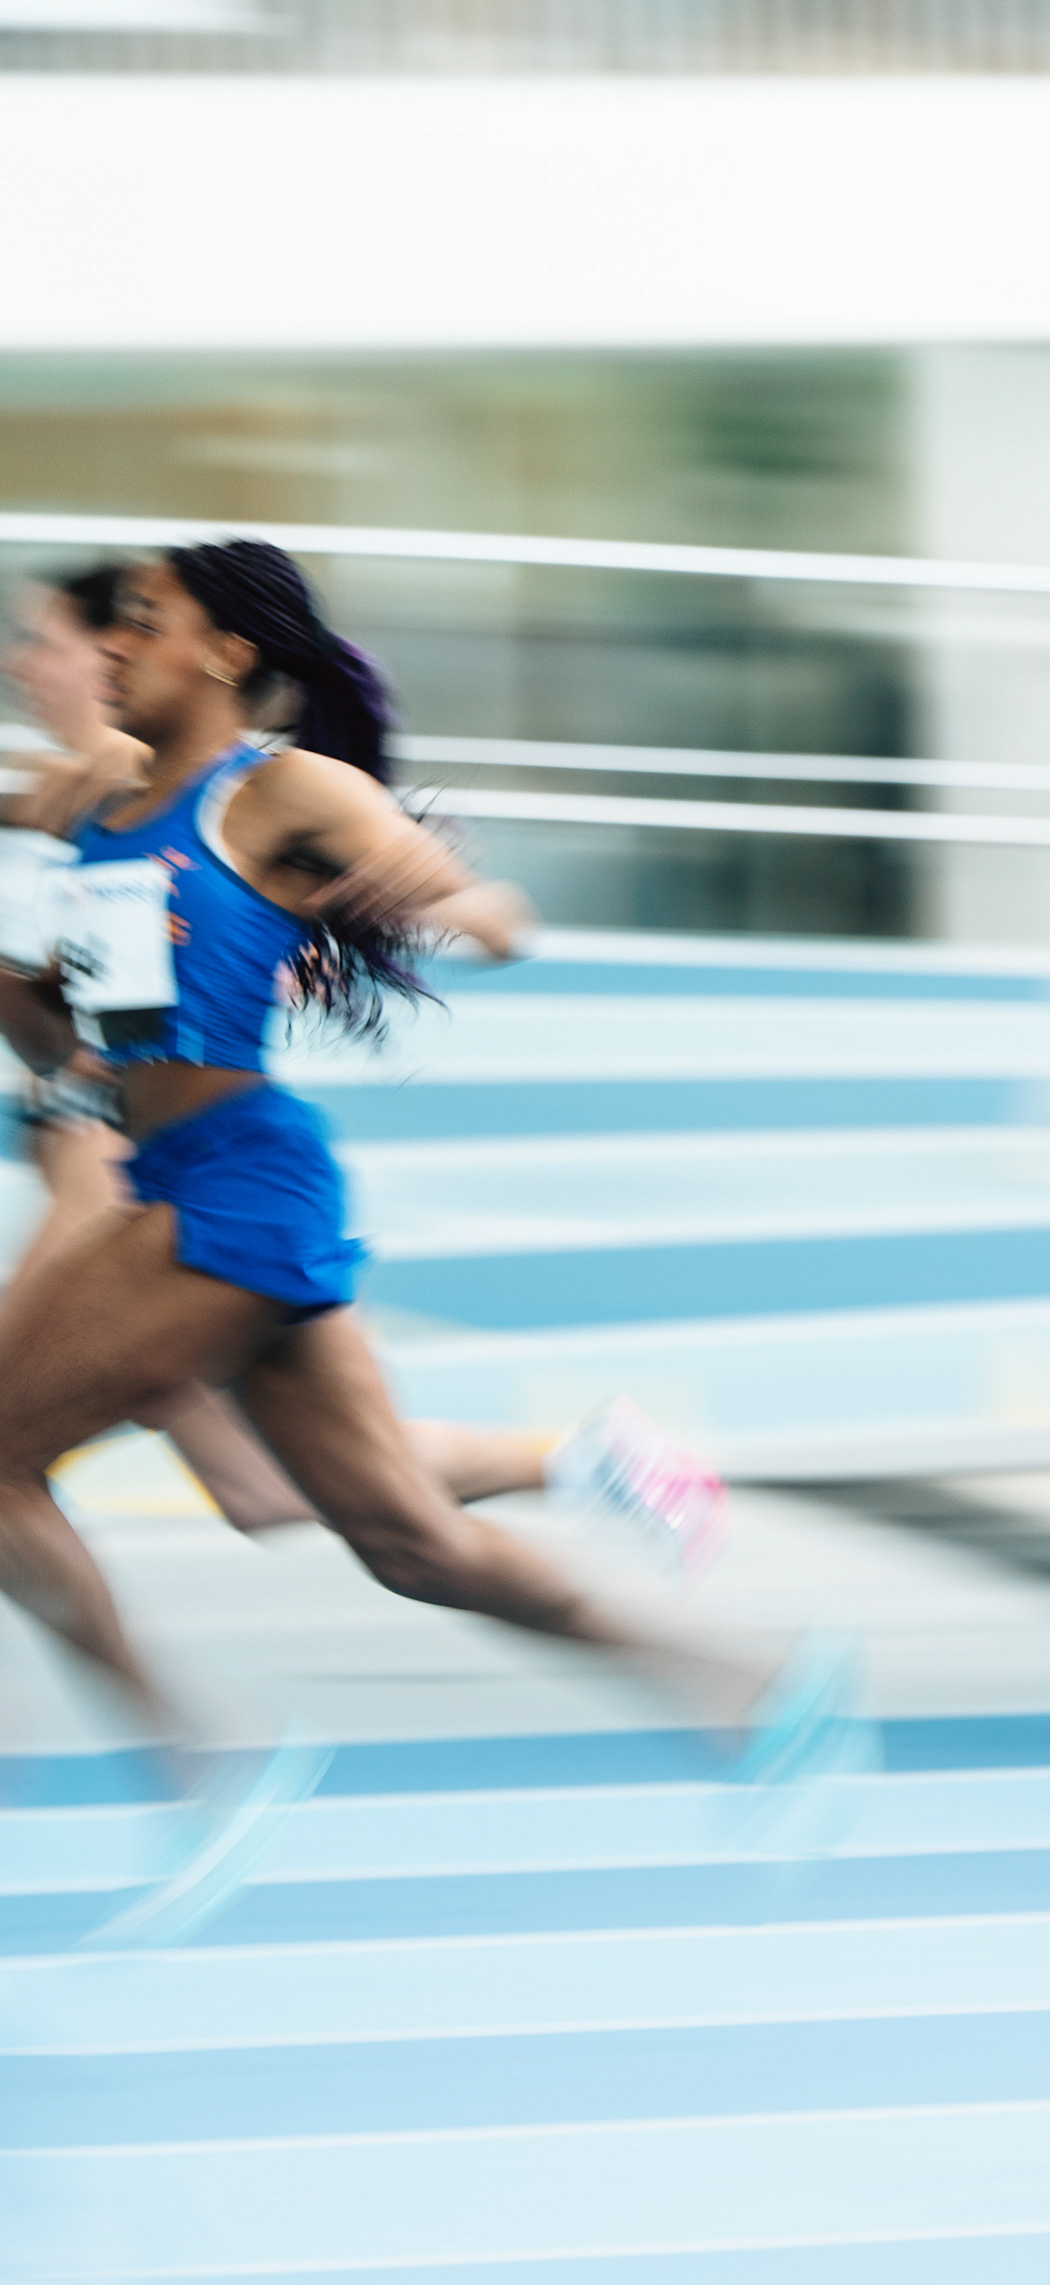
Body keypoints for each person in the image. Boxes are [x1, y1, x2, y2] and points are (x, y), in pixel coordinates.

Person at [0, 541, 845, 1945]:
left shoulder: (280, 791)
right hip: (189, 1180)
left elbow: (496, 918)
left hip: (233, 1193)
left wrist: (424, 901)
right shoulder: (90, 800)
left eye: (145, 621)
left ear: (224, 652)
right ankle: (748, 1689)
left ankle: (199, 1769)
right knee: (407, 1542)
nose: (112, 648)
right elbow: (57, 1022)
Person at [4, 570, 725, 1568]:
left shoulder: (165, 782)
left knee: (109, 1454)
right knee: (267, 1492)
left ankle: (581, 1468)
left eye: (49, 640)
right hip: (138, 1149)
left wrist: (421, 916)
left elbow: (454, 911)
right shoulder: (85, 789)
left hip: (126, 1158)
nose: (24, 663)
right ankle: (584, 1460)